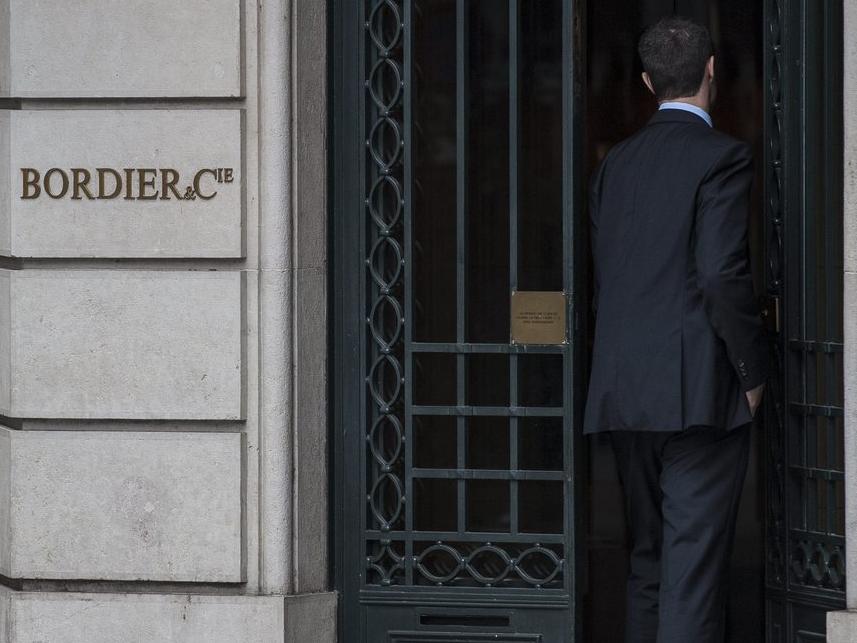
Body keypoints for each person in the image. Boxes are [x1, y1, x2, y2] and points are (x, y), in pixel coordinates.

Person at [583, 16, 770, 643]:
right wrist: (751, 372)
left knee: (649, 563)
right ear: (713, 70)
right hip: (699, 392)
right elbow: (720, 274)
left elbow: (610, 273)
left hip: (625, 389)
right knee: (691, 574)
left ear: (646, 81)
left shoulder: (615, 165)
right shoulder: (723, 157)